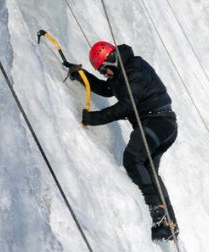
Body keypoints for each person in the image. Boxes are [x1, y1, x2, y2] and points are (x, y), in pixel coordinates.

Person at [75, 41, 179, 241]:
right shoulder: (122, 73)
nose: (105, 74)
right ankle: (169, 225)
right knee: (148, 171)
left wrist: (93, 118)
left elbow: (126, 106)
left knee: (132, 158)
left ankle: (157, 211)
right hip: (162, 125)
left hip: (157, 122)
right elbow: (107, 90)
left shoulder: (134, 69)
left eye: (104, 70)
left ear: (112, 60)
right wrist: (81, 75)